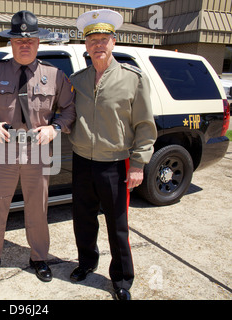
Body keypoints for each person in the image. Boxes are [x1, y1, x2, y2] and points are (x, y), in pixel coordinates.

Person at [0, 10, 75, 283]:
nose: (24, 45)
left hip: (38, 150)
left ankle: (39, 257)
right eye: (18, 41)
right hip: (3, 148)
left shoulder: (55, 75)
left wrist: (55, 128)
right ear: (11, 43)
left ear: (38, 42)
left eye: (30, 40)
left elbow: (69, 110)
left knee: (37, 207)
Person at [69, 9, 157, 300]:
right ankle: (86, 264)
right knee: (83, 219)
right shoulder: (78, 80)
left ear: (114, 42)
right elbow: (65, 113)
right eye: (92, 39)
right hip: (82, 162)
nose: (98, 45)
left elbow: (144, 125)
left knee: (117, 226)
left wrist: (139, 165)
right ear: (86, 45)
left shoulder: (133, 79)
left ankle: (121, 278)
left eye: (104, 38)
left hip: (116, 165)